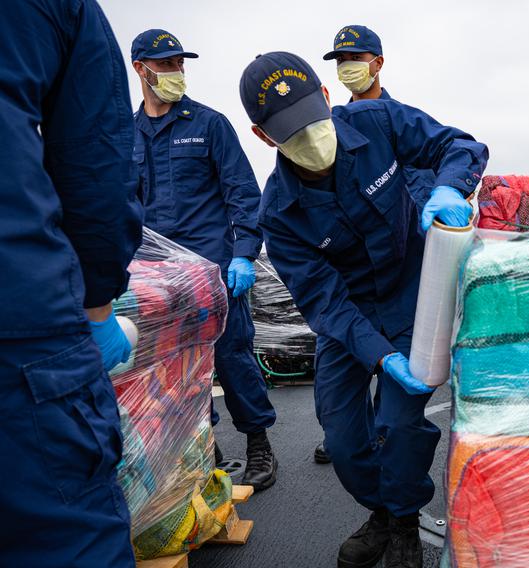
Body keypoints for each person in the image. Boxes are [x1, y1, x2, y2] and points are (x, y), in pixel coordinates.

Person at [240, 51, 487, 568]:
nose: (311, 138)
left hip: (408, 300)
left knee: (399, 425)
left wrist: (448, 185)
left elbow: (459, 145)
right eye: (291, 132)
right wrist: (379, 356)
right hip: (346, 321)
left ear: (328, 99)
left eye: (313, 120)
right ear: (264, 137)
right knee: (343, 439)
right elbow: (323, 300)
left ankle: (401, 522)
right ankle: (378, 509)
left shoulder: (378, 122)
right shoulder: (279, 213)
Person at [0, 1, 143, 565]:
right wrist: (97, 304)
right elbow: (97, 170)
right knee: (63, 539)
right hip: (22, 315)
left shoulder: (209, 125)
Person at [130, 29, 278, 490]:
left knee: (232, 356)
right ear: (141, 69)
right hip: (154, 278)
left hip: (213, 273)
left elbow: (242, 194)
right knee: (173, 369)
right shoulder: (123, 134)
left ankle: (258, 445)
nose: (176, 72)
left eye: (179, 64)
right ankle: (202, 451)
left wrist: (244, 256)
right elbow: (115, 207)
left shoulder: (208, 124)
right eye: (167, 64)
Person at [310, 24, 437, 466]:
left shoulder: (396, 121)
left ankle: (394, 488)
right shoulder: (323, 132)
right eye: (341, 61)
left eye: (356, 59)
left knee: (397, 406)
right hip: (350, 284)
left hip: (400, 277)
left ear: (378, 63)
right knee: (339, 401)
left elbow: (421, 189)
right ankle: (355, 436)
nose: (348, 68)